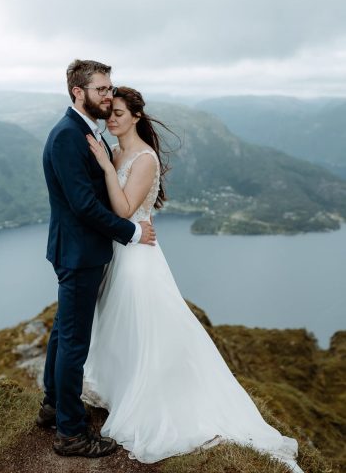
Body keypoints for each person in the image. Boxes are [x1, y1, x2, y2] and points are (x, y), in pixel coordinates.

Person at [83, 86, 304, 472]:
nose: (111, 119)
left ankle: (154, 399)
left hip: (137, 254)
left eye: (119, 113)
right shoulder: (117, 151)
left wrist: (104, 167)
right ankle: (123, 390)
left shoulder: (143, 158)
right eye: (109, 113)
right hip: (121, 250)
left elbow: (123, 208)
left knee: (145, 323)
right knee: (122, 324)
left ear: (136, 116)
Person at [38, 60, 156, 458]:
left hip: (80, 249)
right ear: (78, 92)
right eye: (101, 89)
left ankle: (53, 406)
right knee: (74, 341)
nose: (108, 95)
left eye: (110, 89)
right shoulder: (68, 136)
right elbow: (85, 205)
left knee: (63, 332)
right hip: (79, 251)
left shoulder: (83, 129)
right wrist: (133, 231)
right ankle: (70, 433)